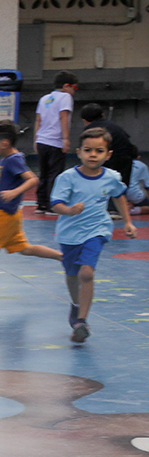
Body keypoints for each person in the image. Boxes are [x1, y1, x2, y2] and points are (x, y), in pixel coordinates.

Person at [49, 126, 137, 343]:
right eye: (88, 150)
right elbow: (55, 204)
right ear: (79, 152)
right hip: (69, 234)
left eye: (99, 151)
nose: (93, 155)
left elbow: (119, 197)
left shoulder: (111, 177)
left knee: (86, 273)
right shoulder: (67, 177)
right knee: (72, 275)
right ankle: (76, 305)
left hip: (97, 231)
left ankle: (81, 321)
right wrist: (69, 210)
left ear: (108, 155)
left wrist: (127, 221)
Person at [0, 120, 61, 303]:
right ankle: (63, 257)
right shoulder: (6, 159)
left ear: (4, 143)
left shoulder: (13, 159)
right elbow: (9, 182)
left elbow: (32, 179)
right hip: (10, 215)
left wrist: (15, 192)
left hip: (4, 215)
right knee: (25, 249)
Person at [34, 70, 79, 214]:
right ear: (66, 86)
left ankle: (41, 204)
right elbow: (63, 117)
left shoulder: (45, 98)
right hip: (55, 141)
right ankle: (52, 204)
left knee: (44, 173)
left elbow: (38, 120)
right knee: (55, 173)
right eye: (74, 88)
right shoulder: (65, 97)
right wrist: (65, 138)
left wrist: (36, 139)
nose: (74, 91)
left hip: (42, 140)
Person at [79, 103, 140, 186]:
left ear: (85, 121)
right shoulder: (115, 126)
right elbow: (129, 145)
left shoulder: (90, 131)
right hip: (124, 161)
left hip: (107, 162)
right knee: (120, 189)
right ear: (102, 115)